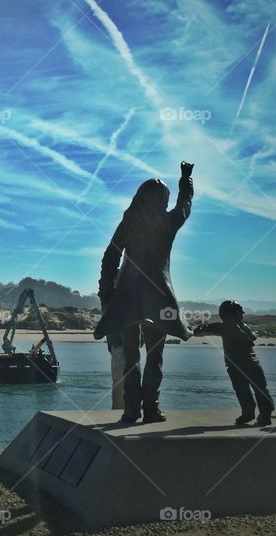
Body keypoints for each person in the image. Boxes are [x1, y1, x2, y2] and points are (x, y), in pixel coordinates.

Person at [94, 161, 195, 424]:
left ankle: (131, 410)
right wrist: (186, 178)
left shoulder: (129, 223)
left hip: (128, 298)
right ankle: (151, 408)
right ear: (163, 200)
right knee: (155, 355)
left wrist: (106, 292)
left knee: (131, 356)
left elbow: (109, 257)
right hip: (159, 296)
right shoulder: (168, 222)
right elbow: (185, 205)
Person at [196, 300, 274, 426]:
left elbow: (204, 330)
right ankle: (263, 414)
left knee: (244, 391)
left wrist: (198, 329)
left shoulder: (226, 327)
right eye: (240, 310)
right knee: (258, 389)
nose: (243, 313)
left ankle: (251, 413)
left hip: (237, 365)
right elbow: (252, 338)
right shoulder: (241, 327)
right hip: (252, 363)